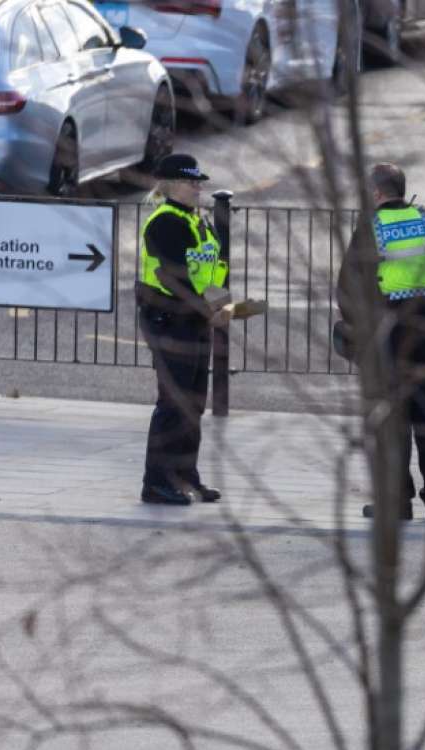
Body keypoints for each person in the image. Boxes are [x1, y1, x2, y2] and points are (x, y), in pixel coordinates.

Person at [337, 162, 425, 520]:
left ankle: (396, 502)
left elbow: (348, 285)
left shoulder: (370, 228)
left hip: (389, 337)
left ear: (376, 193)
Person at [136, 153, 230, 506]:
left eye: (199, 182)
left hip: (194, 320)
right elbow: (170, 276)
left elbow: (212, 271)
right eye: (192, 182)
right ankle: (157, 482)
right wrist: (209, 310)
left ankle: (186, 476)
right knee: (173, 402)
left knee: (193, 404)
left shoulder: (199, 221)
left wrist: (221, 305)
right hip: (168, 319)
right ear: (171, 184)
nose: (198, 188)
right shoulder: (164, 223)